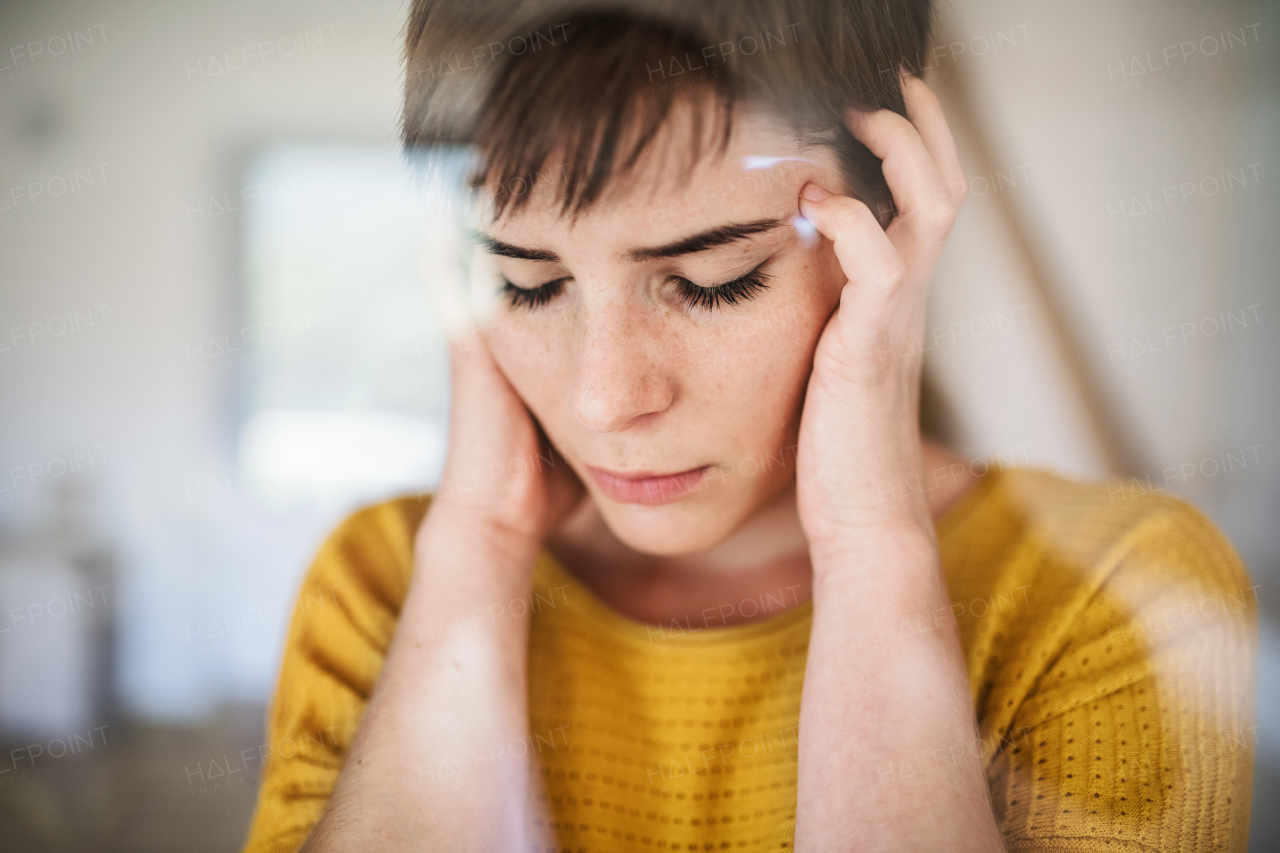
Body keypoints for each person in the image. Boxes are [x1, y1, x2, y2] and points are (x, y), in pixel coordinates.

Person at [242, 3, 1257, 851]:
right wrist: (475, 551)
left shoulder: (1120, 597)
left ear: (892, 218)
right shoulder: (381, 585)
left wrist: (873, 550)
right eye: (526, 281)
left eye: (709, 282)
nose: (603, 399)